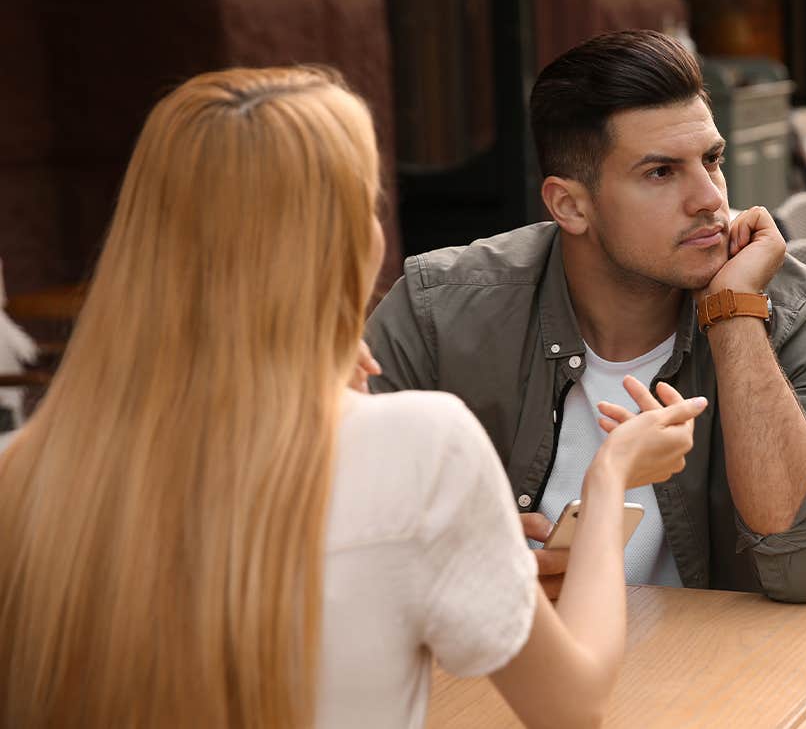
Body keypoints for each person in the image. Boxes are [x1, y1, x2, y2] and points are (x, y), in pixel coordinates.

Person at [0, 66, 705, 729]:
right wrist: (610, 478)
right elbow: (574, 702)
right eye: (368, 201)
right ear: (333, 242)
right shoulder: (422, 446)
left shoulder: (30, 469)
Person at [365, 30, 806, 603]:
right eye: (661, 172)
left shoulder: (788, 307)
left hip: (714, 677)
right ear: (570, 205)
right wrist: (461, 562)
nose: (709, 198)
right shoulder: (438, 309)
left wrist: (732, 316)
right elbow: (328, 530)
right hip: (498, 664)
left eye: (711, 160)